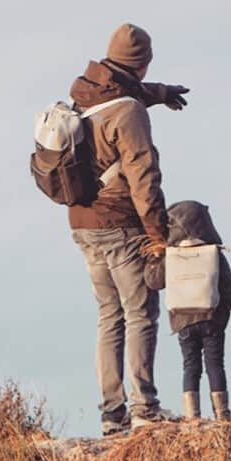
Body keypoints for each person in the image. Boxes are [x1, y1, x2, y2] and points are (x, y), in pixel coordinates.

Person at [69, 23, 190, 435]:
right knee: (140, 314)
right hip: (121, 224)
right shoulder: (128, 111)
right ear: (142, 64)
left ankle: (112, 413)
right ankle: (144, 409)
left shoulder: (85, 96)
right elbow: (143, 175)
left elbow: (126, 93)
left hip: (82, 223)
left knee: (109, 315)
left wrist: (159, 92)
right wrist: (158, 233)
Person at [161, 200, 231, 421]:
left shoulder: (170, 256)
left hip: (183, 320)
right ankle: (222, 414)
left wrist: (156, 257)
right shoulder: (213, 253)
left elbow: (153, 281)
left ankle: (192, 417)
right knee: (215, 364)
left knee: (190, 367)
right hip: (213, 318)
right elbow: (229, 286)